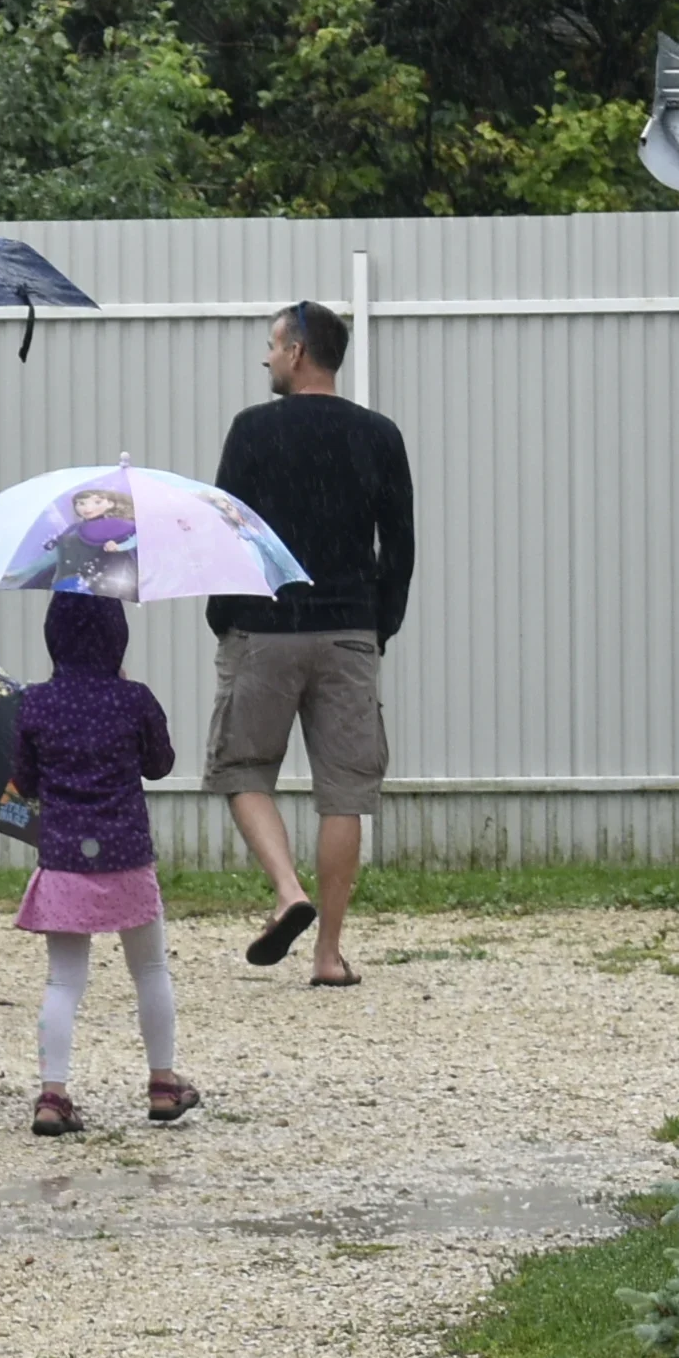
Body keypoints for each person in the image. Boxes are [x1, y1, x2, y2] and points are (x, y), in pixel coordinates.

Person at [206, 301, 416, 989]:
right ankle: (328, 955)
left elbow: (226, 533)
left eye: (271, 345)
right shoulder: (379, 435)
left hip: (264, 630)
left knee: (242, 770)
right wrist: (376, 624)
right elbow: (401, 546)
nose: (266, 358)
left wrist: (225, 616)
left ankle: (286, 890)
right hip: (348, 630)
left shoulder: (252, 431)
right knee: (344, 794)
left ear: (298, 352)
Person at [7, 588, 195, 1131]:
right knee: (151, 969)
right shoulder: (133, 698)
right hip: (127, 856)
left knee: (64, 981)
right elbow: (159, 765)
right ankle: (162, 1084)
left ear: (53, 638)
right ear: (118, 637)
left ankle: (53, 1096)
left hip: (64, 857)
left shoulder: (36, 702)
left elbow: (24, 781)